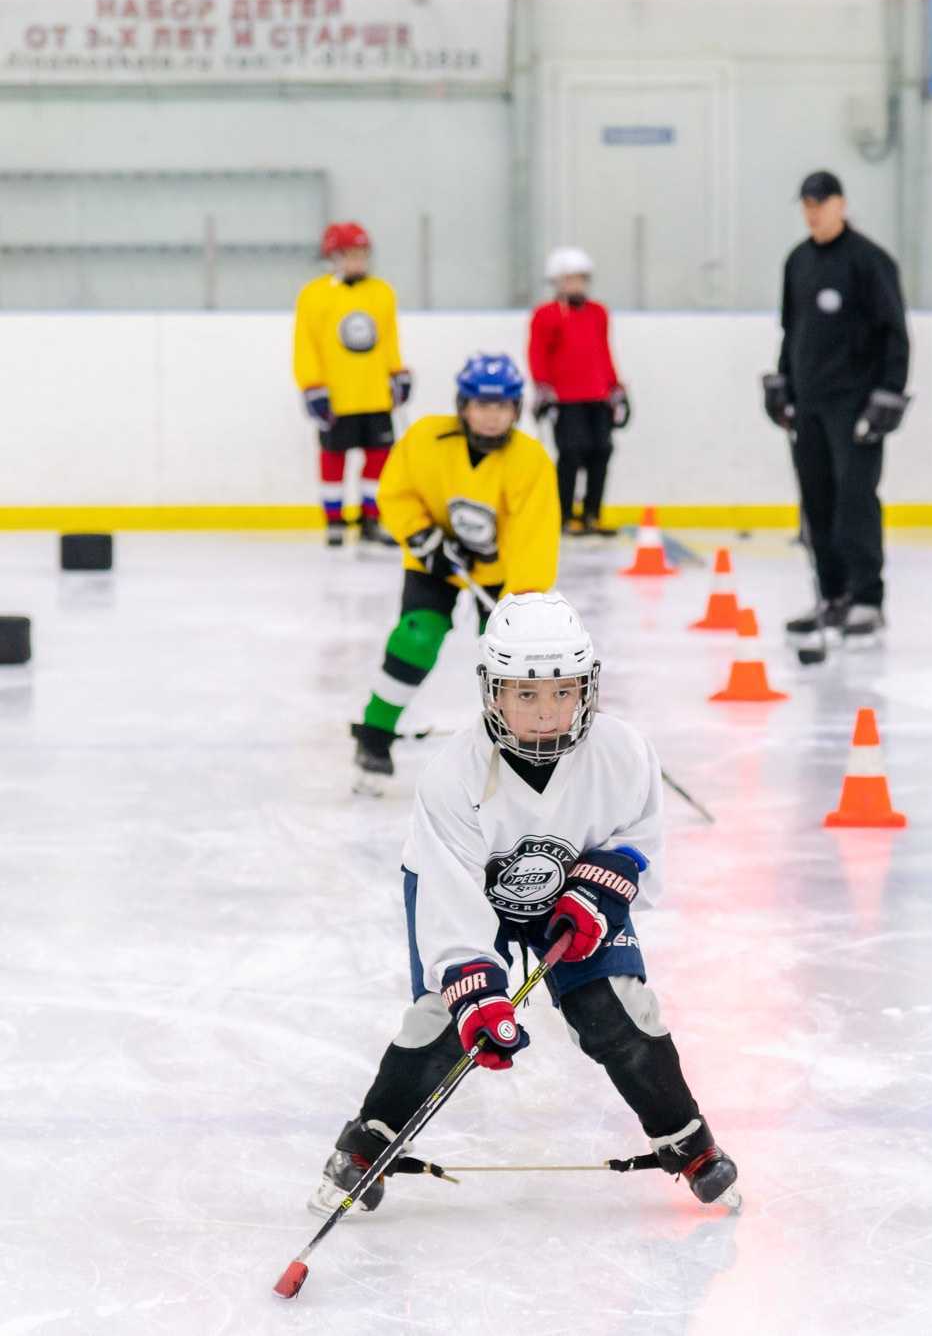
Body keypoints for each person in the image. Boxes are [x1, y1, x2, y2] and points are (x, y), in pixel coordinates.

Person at [311, 591, 740, 1216]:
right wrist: (473, 984)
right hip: (465, 895)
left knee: (613, 1009)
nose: (546, 713)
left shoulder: (622, 751)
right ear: (493, 693)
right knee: (446, 1017)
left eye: (562, 692)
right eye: (526, 694)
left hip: (574, 894)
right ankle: (367, 1142)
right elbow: (447, 887)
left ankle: (687, 1140)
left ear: (587, 688)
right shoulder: (452, 773)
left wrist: (600, 889)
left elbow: (637, 843)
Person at [351, 354, 560, 792]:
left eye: (502, 405)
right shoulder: (426, 438)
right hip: (434, 561)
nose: (491, 415)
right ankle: (374, 733)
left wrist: (523, 600)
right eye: (482, 404)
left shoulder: (530, 460)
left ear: (515, 410)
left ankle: (518, 750)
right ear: (463, 405)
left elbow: (534, 536)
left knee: (510, 664)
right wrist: (422, 537)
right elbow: (396, 492)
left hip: (502, 575)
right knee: (416, 637)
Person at [762, 171, 910, 639]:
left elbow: (895, 334)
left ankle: (867, 598)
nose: (813, 211)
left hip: (855, 407)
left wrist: (887, 394)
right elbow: (792, 330)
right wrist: (782, 382)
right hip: (809, 404)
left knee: (855, 501)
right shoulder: (798, 261)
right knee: (817, 502)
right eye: (806, 203)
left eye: (821, 202)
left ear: (841, 204)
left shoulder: (870, 261)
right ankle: (831, 596)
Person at [293, 221, 412, 547]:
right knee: (333, 458)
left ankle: (370, 519)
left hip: (375, 393)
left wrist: (397, 372)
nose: (357, 262)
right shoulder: (314, 295)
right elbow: (306, 345)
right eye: (349, 255)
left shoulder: (381, 292)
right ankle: (334, 520)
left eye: (362, 255)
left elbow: (388, 339)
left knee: (379, 457)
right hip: (337, 395)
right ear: (332, 257)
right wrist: (312, 386)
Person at [528, 247, 630, 537]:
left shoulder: (598, 312)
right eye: (569, 279)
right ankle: (564, 515)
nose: (576, 285)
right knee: (571, 453)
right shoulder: (546, 315)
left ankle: (592, 514)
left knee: (602, 451)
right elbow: (537, 353)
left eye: (580, 279)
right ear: (557, 282)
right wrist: (543, 388)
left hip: (597, 395)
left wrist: (615, 387)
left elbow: (603, 351)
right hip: (565, 397)